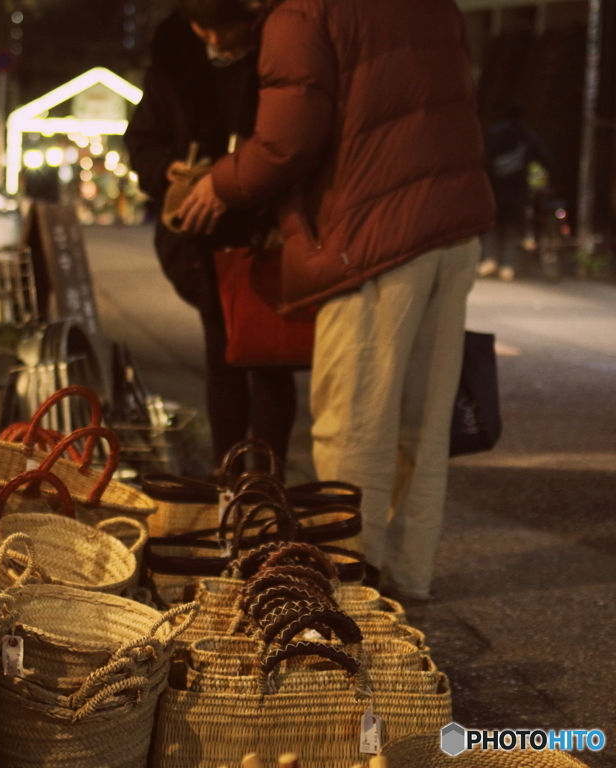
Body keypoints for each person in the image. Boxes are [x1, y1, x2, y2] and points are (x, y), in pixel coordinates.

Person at [176, 0, 496, 600]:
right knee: (421, 424)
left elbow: (286, 141)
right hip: (453, 227)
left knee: (355, 422)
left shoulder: (302, 12)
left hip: (376, 238)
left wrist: (219, 183)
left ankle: (350, 582)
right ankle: (406, 575)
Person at [125, 5, 299, 475]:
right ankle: (228, 481)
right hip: (203, 242)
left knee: (269, 363)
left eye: (226, 27)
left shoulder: (279, 55)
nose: (218, 40)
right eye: (205, 29)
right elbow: (141, 139)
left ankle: (264, 486)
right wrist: (166, 168)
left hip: (264, 235)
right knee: (222, 362)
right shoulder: (174, 65)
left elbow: (288, 142)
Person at [479, 103, 555, 281]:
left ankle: (489, 259)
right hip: (518, 188)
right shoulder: (527, 136)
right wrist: (554, 177)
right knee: (513, 225)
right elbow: (545, 158)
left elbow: (482, 157)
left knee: (492, 223)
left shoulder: (494, 134)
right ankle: (508, 265)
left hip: (494, 186)